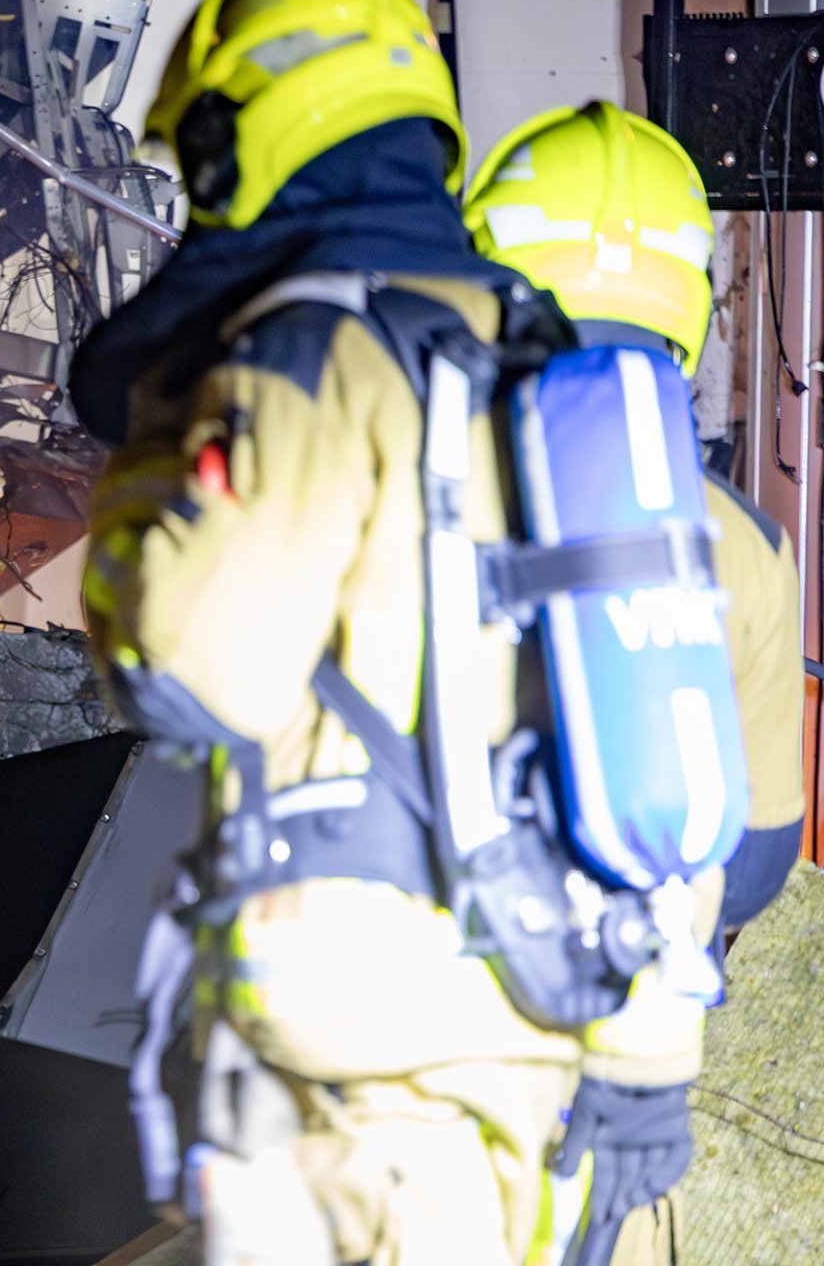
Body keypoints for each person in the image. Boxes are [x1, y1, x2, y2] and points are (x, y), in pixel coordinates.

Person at [71, 0, 802, 1263]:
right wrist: (646, 1054)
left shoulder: (322, 357)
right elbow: (727, 846)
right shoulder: (579, 418)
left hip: (370, 1109)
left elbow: (187, 670)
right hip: (579, 1085)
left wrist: (158, 452)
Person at [461, 99, 806, 1261]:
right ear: (692, 312)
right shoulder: (744, 543)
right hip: (619, 1090)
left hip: (407, 1086)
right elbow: (755, 860)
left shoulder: (398, 488)